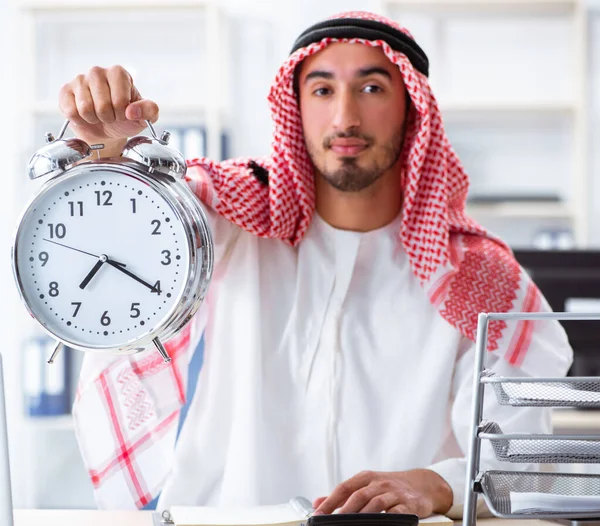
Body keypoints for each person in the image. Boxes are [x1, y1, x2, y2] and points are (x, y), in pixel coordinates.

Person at [63, 11, 573, 519]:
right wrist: (105, 150)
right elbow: (115, 247)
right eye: (323, 90)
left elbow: (525, 465)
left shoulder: (477, 276)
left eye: (371, 89)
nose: (345, 117)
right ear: (297, 107)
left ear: (412, 109)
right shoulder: (231, 222)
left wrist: (439, 484)